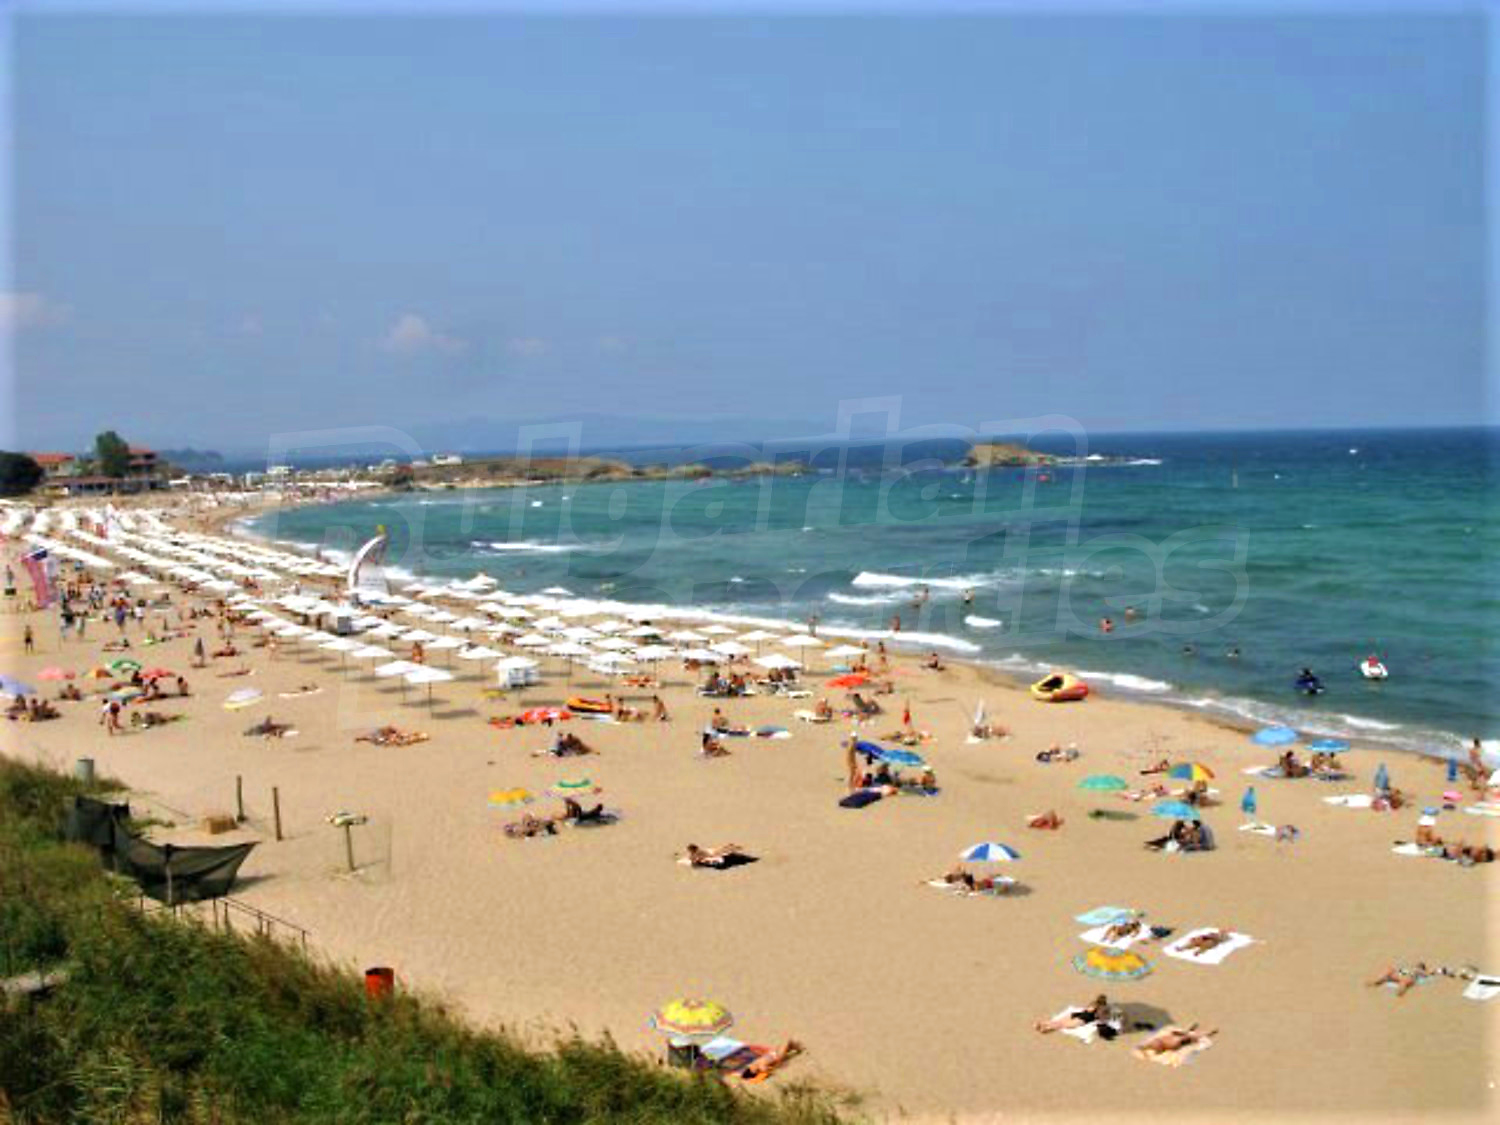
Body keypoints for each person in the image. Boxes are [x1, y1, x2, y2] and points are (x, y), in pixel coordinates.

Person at [1034, 995, 1112, 1034]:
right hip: (1083, 1018)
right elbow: (1096, 1016)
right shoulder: (1099, 1009)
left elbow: (1088, 1009)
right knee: (1061, 1025)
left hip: (1079, 1015)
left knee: (1060, 1023)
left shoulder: (1093, 1004)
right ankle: (1044, 1027)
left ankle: (1042, 1026)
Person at [736, 1039, 803, 1082]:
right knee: (787, 1050)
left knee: (786, 1050)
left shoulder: (758, 1066)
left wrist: (770, 1072)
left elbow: (767, 1069)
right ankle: (795, 1047)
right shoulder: (756, 1064)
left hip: (774, 1057)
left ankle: (793, 1046)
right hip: (773, 1055)